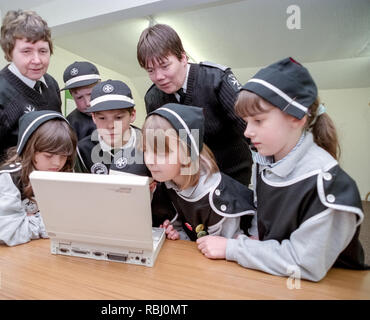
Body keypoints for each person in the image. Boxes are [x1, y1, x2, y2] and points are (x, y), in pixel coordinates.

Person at [196, 57, 368, 281]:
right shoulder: (263, 162)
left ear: (296, 118)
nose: (247, 132)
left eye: (258, 121)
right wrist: (254, 240)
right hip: (275, 276)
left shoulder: (328, 184)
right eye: (246, 122)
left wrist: (233, 249)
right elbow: (262, 217)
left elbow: (304, 263)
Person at [0, 10, 62, 241]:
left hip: (43, 197)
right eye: (26, 51)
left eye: (43, 51)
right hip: (7, 202)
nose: (37, 60)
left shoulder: (51, 86)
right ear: (10, 53)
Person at [137, 23, 252, 187]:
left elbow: (249, 128)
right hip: (188, 180)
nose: (158, 76)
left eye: (164, 66)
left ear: (183, 57)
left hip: (232, 174)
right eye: (150, 70)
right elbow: (160, 146)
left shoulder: (216, 79)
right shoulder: (153, 98)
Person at [142, 103, 255, 241]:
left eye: (160, 153)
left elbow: (227, 249)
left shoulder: (216, 198)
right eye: (145, 150)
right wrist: (179, 236)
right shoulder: (168, 182)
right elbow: (192, 235)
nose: (149, 160)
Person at [0, 111, 77, 246]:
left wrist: (29, 221)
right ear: (30, 149)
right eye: (49, 155)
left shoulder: (66, 170)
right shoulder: (9, 178)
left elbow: (74, 220)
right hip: (10, 254)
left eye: (64, 156)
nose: (57, 163)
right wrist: (50, 224)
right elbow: (5, 233)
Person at [76, 80, 150, 177]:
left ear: (132, 115)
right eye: (102, 118)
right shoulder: (83, 150)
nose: (110, 126)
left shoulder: (148, 144)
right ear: (94, 118)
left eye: (118, 118)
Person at [61, 61, 101, 140]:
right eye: (79, 97)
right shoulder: (69, 125)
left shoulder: (116, 110)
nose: (88, 103)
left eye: (90, 94)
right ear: (72, 95)